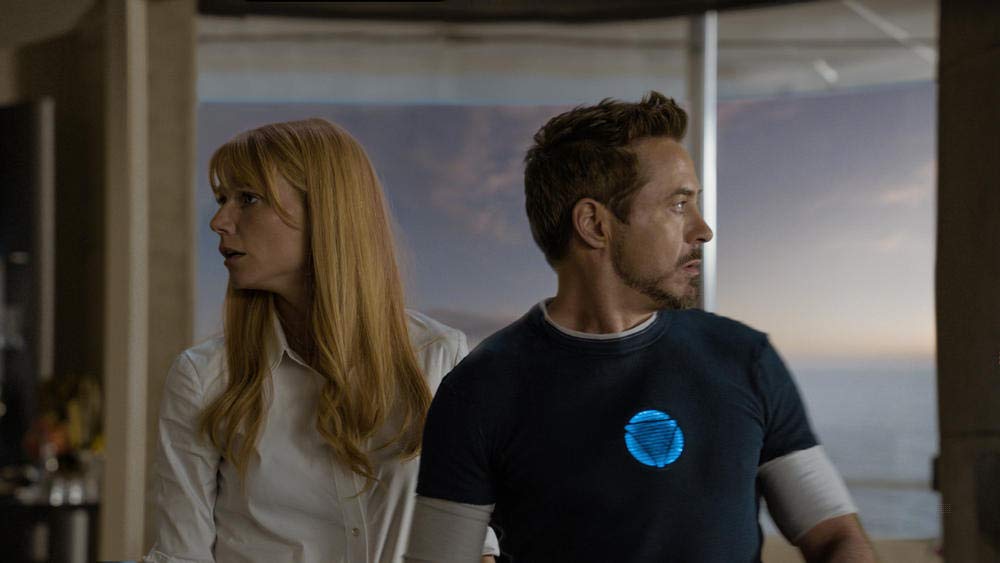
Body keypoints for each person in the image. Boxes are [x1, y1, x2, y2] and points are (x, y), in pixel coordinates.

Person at [407, 92, 876, 562]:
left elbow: (836, 537)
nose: (703, 229)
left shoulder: (745, 358)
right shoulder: (480, 389)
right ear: (595, 224)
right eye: (679, 205)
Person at [144, 118, 499, 563]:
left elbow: (471, 544)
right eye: (221, 200)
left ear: (326, 211)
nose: (219, 221)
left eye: (248, 198)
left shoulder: (438, 357)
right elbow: (182, 557)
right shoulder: (202, 379)